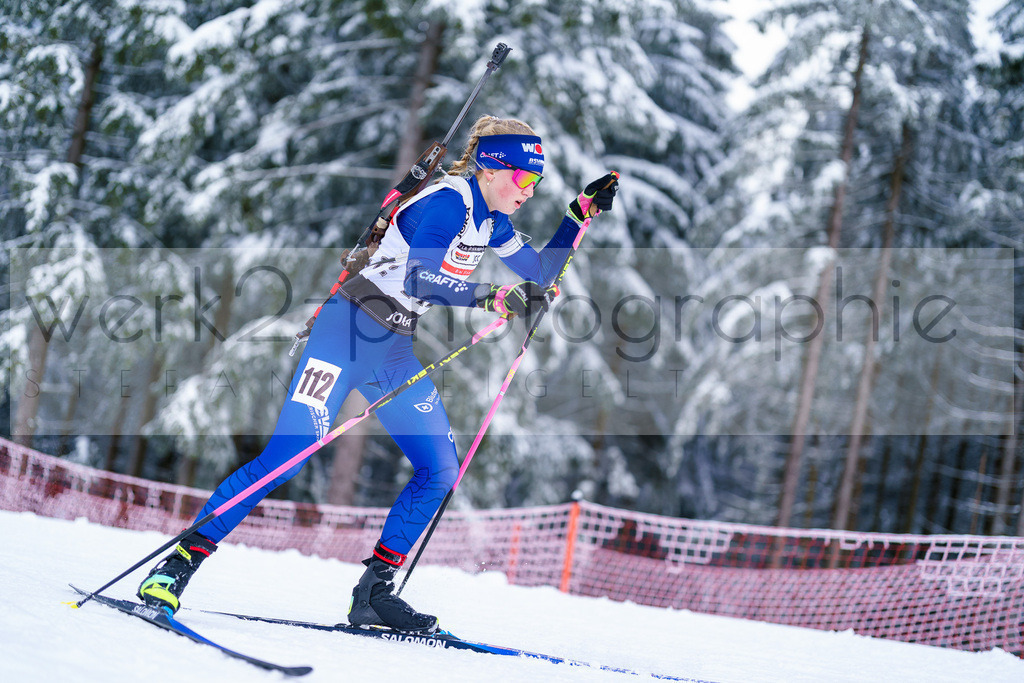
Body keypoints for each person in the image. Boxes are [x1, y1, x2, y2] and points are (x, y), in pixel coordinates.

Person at [136, 115, 619, 633]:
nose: (529, 190)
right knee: (286, 457)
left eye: (537, 183)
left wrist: (578, 214)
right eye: (525, 178)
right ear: (492, 166)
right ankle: (175, 567)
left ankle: (373, 592)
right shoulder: (446, 201)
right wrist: (491, 296)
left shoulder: (490, 220)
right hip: (343, 335)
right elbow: (420, 276)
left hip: (391, 349)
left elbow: (541, 272)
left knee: (439, 470)